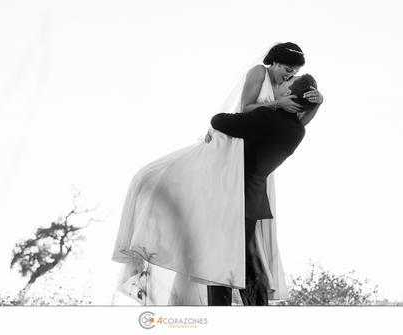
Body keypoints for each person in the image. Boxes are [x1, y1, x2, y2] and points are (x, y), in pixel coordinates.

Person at [111, 42, 323, 306]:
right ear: (276, 63)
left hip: (237, 179)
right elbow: (247, 107)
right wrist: (293, 104)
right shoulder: (279, 104)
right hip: (250, 182)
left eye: (294, 75)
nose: (289, 76)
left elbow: (222, 119)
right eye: (288, 70)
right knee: (242, 257)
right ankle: (252, 308)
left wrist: (283, 105)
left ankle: (226, 312)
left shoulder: (274, 117)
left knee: (224, 257)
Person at [207, 73, 319, 306]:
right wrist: (317, 104)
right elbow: (301, 118)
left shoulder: (266, 116)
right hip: (254, 198)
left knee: (221, 261)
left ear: (289, 94)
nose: (281, 83)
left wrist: (274, 103)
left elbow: (218, 120)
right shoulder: (297, 131)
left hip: (234, 197)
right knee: (249, 261)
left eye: (287, 83)